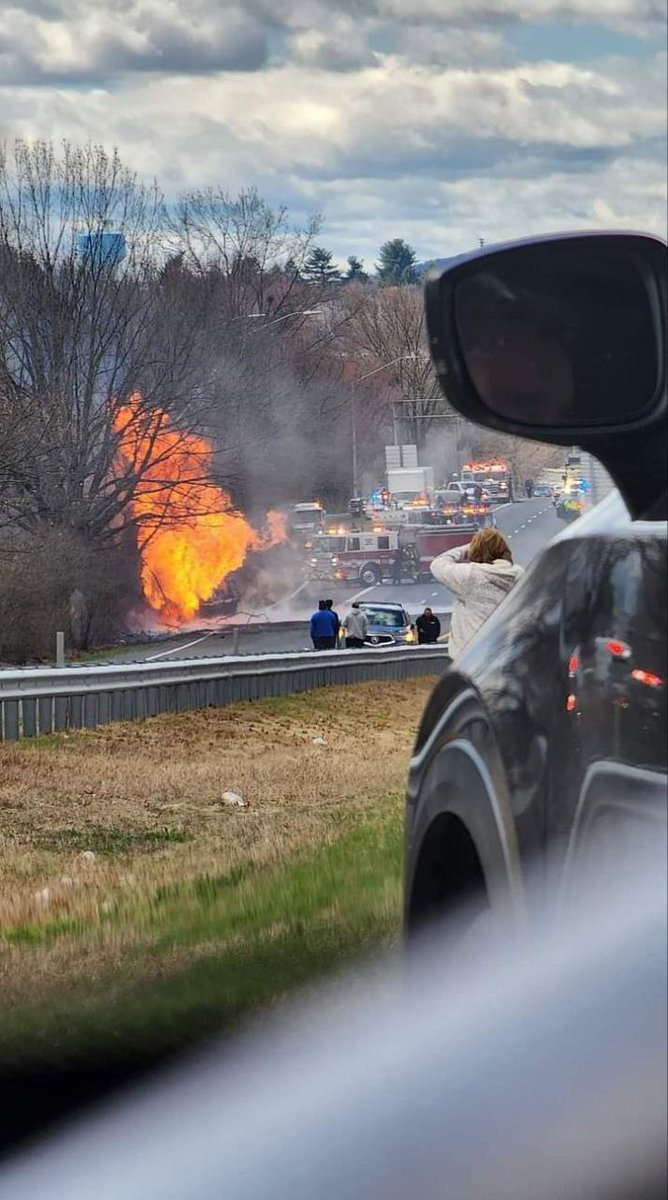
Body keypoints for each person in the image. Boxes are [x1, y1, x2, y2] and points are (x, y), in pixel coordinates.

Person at [430, 527, 523, 659]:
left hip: (473, 660)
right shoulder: (518, 575)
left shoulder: (472, 576)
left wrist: (469, 548)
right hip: (508, 654)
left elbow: (438, 564)